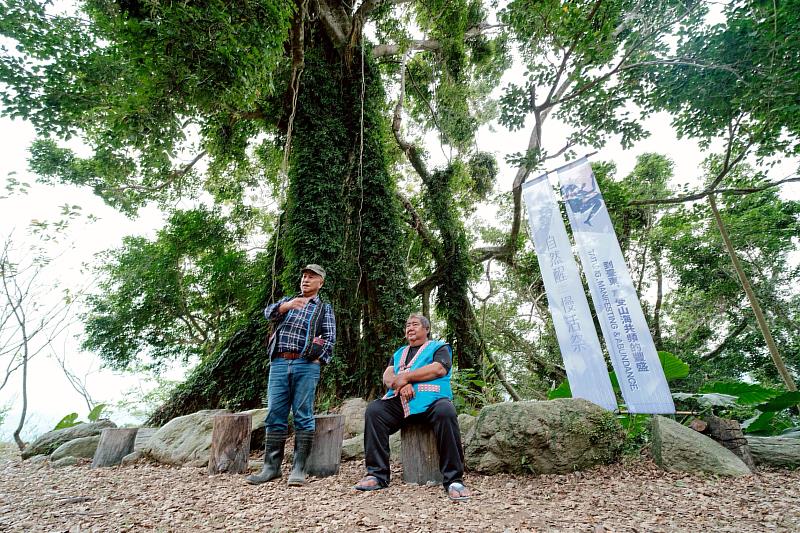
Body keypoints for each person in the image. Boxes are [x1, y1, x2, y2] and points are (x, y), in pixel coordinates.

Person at [354, 313, 471, 501]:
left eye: (415, 324)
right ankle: (377, 474)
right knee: (375, 411)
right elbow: (387, 376)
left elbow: (438, 369)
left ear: (427, 329)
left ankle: (454, 480)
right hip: (403, 403)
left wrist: (406, 378)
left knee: (446, 411)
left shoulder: (439, 347)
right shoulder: (399, 353)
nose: (410, 328)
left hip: (433, 401)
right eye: (408, 325)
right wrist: (402, 386)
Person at [247, 264, 336, 487]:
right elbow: (268, 313)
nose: (305, 280)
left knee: (303, 414)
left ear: (320, 283)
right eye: (304, 276)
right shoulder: (288, 301)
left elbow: (330, 338)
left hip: (306, 365)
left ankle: (299, 469)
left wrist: (318, 359)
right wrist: (287, 305)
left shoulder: (323, 308)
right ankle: (271, 468)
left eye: (311, 277)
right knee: (274, 413)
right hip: (279, 362)